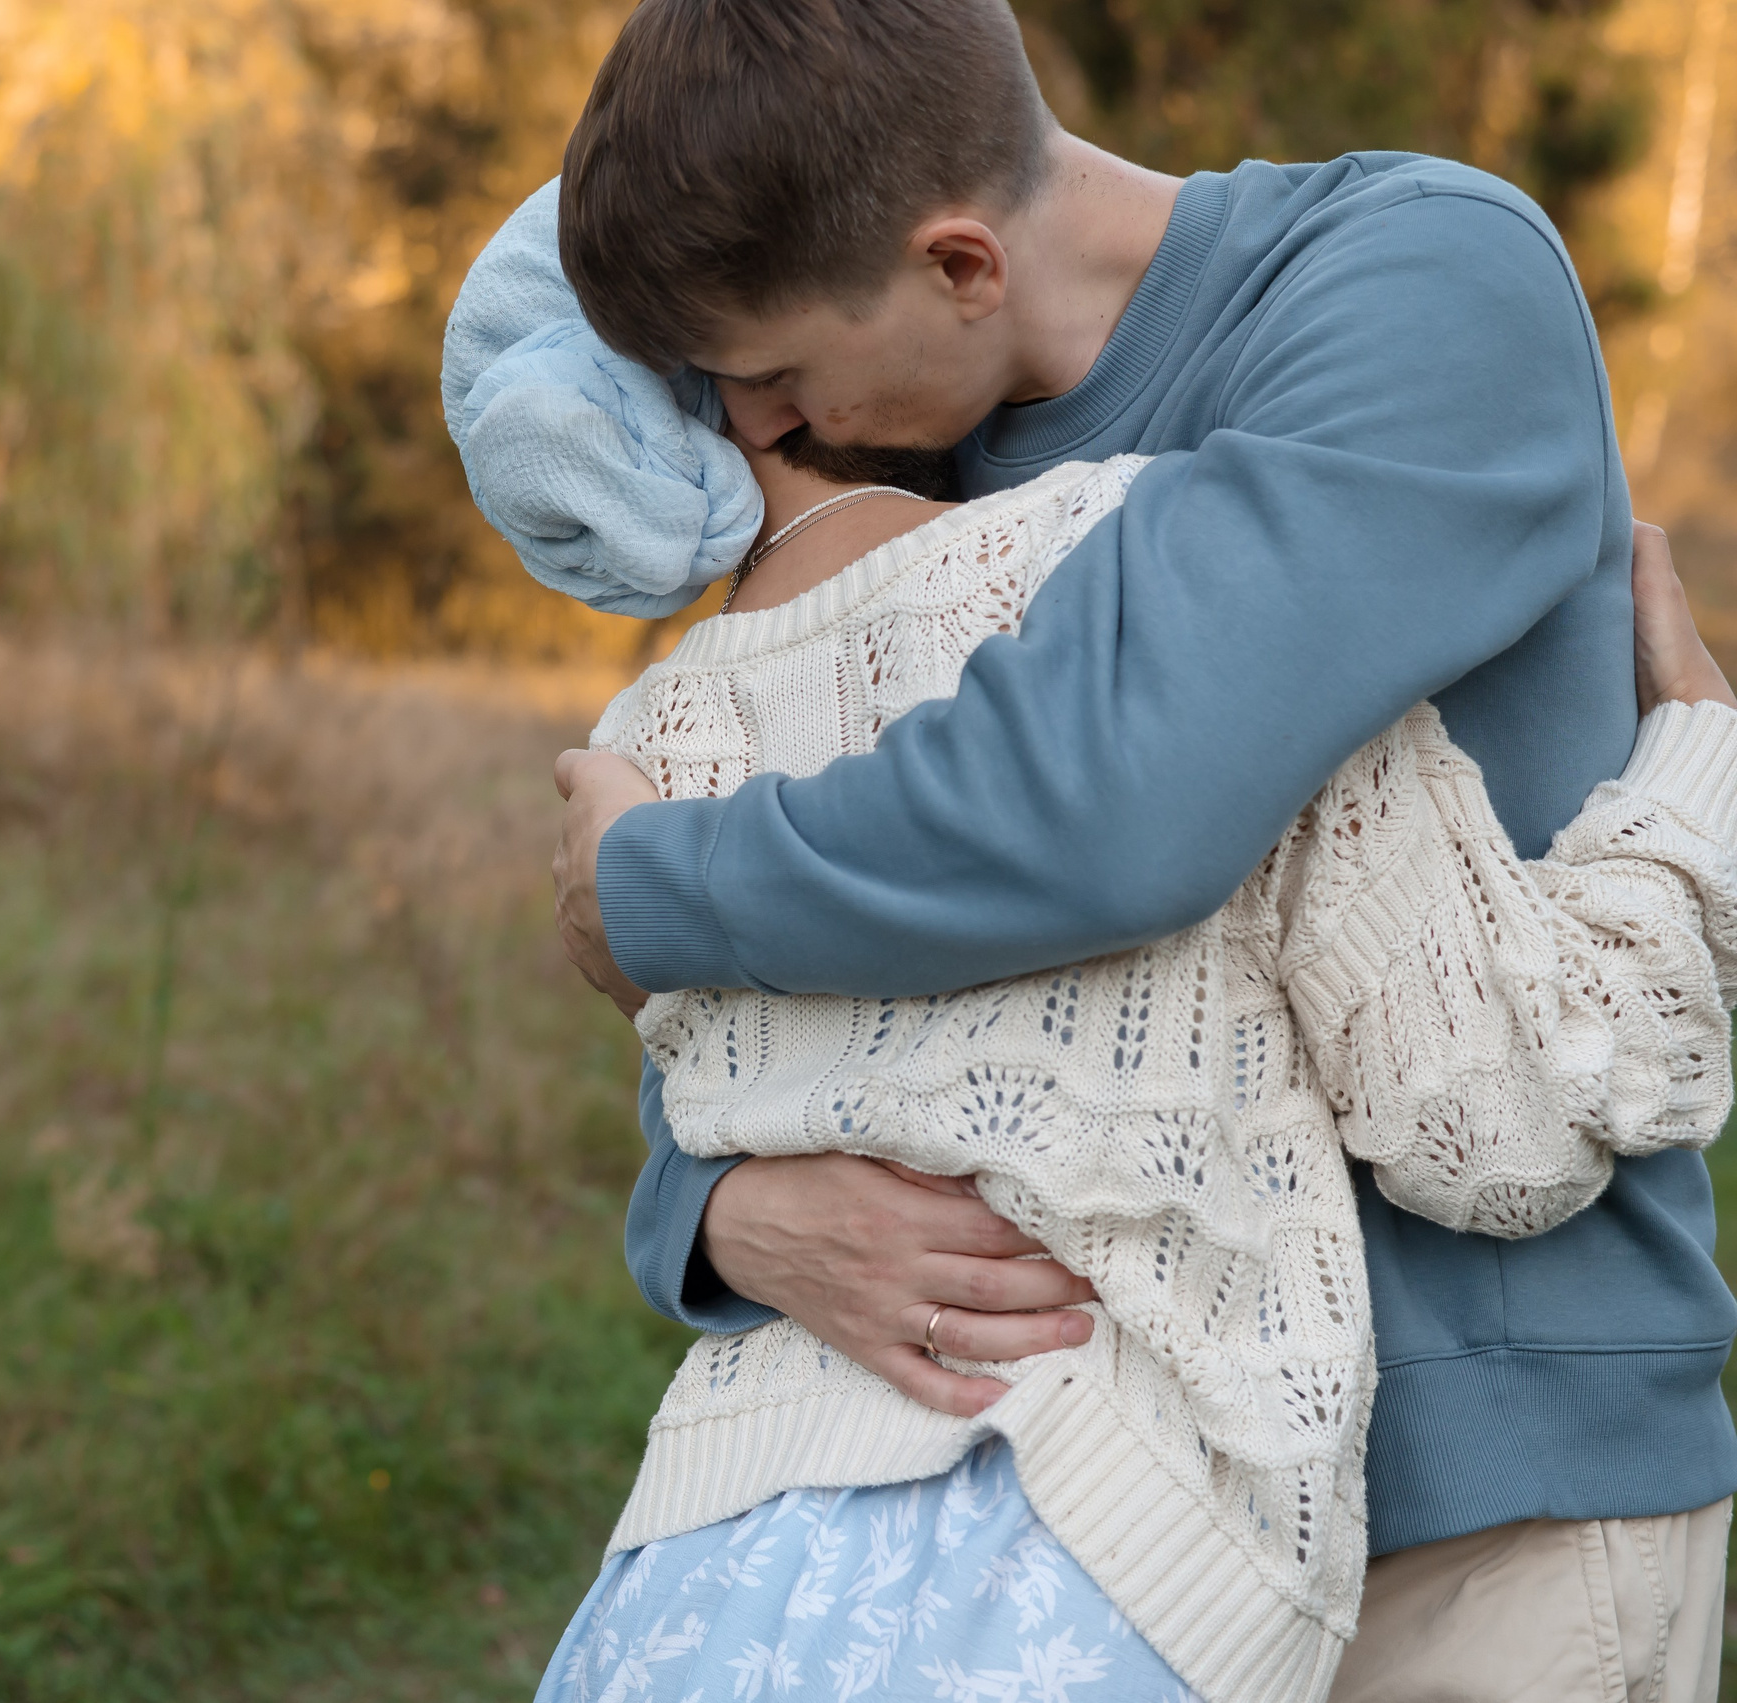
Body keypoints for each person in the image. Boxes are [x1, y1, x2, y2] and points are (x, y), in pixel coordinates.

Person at [438, 0, 1737, 1696]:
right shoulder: (922, 453)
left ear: (963, 263)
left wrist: (654, 884)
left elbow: (1114, 804)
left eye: (766, 376)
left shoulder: (1414, 279)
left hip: (1486, 1499)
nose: (752, 437)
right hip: (1091, 1547)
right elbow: (838, 1011)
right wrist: (716, 1210)